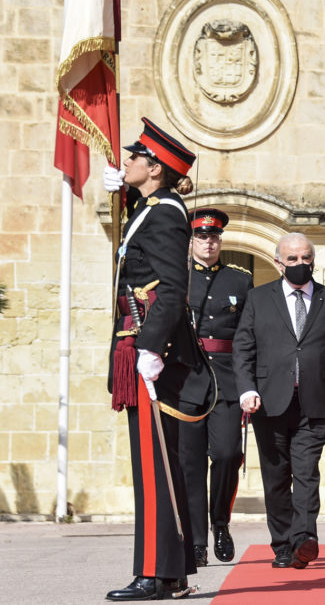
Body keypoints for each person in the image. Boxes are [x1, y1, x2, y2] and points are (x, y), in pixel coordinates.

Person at [102, 117, 201, 601]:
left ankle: (155, 574)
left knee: (155, 464)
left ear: (156, 168)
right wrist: (118, 196)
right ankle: (171, 571)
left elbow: (172, 287)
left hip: (147, 348)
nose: (130, 161)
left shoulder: (165, 213)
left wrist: (151, 347)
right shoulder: (152, 207)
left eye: (137, 158)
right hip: (139, 342)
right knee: (157, 466)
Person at [233, 232, 325, 569]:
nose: (301, 265)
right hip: (269, 403)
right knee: (276, 477)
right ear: (278, 262)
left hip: (315, 402)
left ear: (313, 261)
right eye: (293, 259)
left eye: (306, 259)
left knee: (306, 473)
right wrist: (247, 389)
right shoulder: (258, 299)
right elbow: (243, 349)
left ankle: (304, 539)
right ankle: (282, 545)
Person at [178, 208, 253, 568]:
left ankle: (219, 523)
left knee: (226, 455)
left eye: (214, 237)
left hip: (226, 380)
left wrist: (249, 381)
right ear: (191, 240)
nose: (209, 242)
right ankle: (195, 542)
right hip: (187, 380)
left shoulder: (240, 281)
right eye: (202, 237)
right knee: (191, 465)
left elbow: (247, 336)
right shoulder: (178, 277)